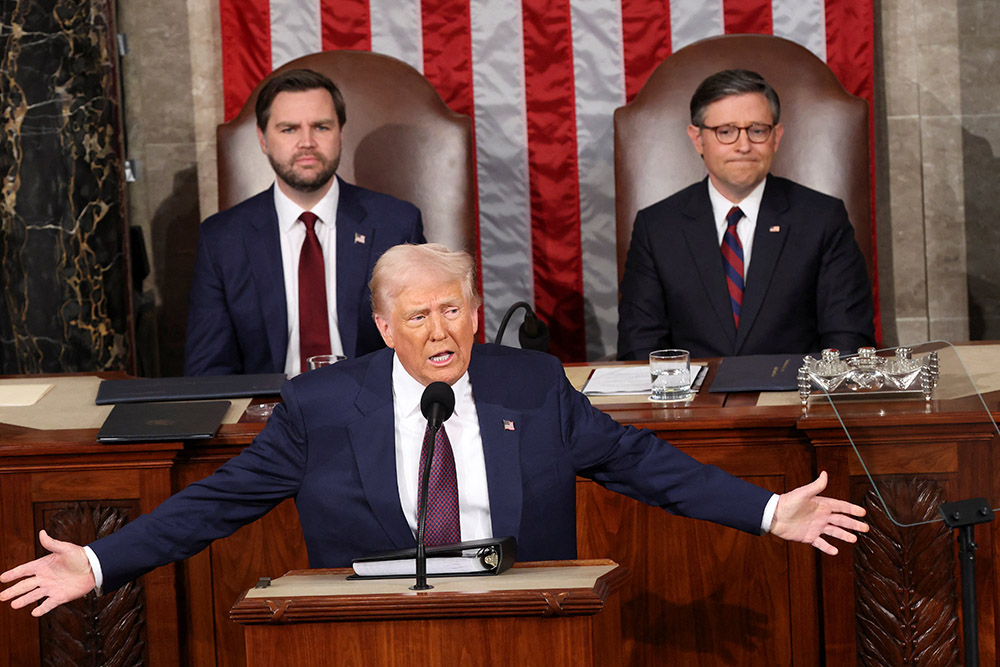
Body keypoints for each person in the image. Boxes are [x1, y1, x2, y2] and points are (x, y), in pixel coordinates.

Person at [1, 244, 867, 617]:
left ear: (475, 310)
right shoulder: (321, 405)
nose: (442, 331)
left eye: (454, 308)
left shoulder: (528, 380)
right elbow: (218, 504)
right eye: (419, 316)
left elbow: (644, 463)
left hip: (530, 616)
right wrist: (100, 559)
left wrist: (765, 513)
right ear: (384, 327)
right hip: (376, 630)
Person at [617, 69, 875, 361]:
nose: (743, 146)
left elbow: (848, 341)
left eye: (757, 130)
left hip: (795, 398)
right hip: (691, 402)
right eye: (726, 131)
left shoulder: (822, 219)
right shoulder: (657, 227)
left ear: (775, 137)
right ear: (698, 138)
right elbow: (639, 348)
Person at [184, 68, 425, 376]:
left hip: (372, 407)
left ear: (340, 133)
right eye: (289, 129)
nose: (307, 142)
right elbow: (208, 371)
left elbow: (422, 344)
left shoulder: (396, 224)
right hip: (268, 413)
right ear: (262, 139)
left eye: (321, 127)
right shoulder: (221, 239)